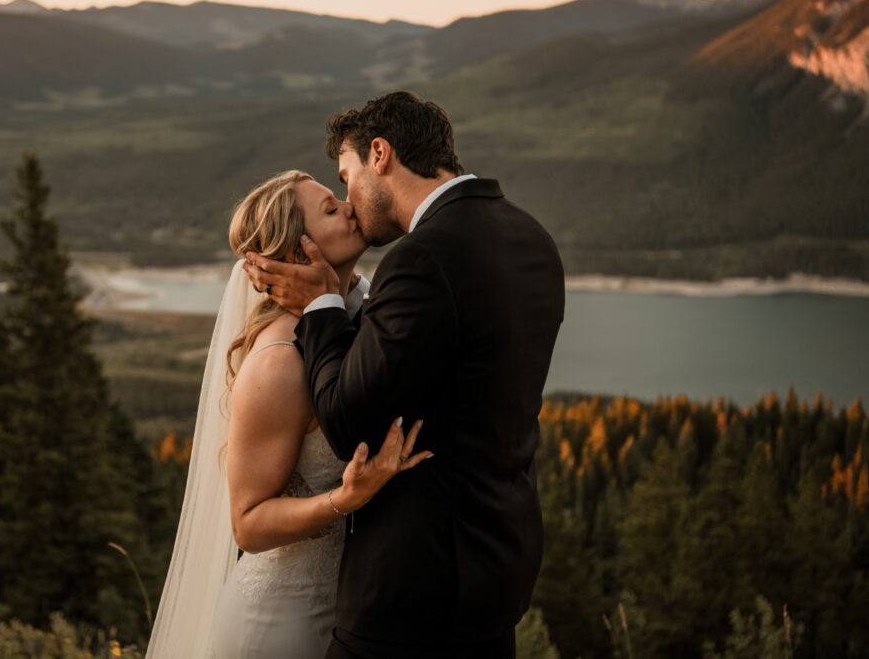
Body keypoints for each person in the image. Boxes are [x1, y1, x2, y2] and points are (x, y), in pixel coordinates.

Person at [245, 91, 565, 659]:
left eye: (346, 178)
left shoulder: (424, 257)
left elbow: (348, 426)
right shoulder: (531, 238)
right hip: (497, 579)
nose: (348, 201)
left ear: (380, 154)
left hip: (411, 597)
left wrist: (321, 308)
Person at [147, 170, 431, 659]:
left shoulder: (357, 317)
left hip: (346, 611)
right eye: (329, 209)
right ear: (300, 252)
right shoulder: (279, 362)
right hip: (281, 622)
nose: (349, 206)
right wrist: (344, 498)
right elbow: (248, 523)